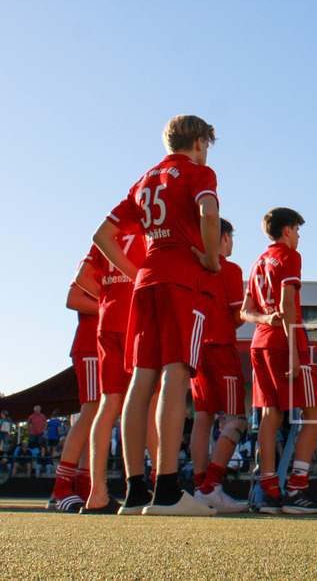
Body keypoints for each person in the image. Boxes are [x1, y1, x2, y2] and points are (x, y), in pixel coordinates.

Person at [93, 115, 221, 516]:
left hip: (148, 280)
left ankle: (135, 492)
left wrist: (136, 274)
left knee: (141, 380)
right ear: (200, 141)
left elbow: (102, 236)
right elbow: (209, 212)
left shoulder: (145, 179)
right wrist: (212, 259)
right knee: (175, 374)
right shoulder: (199, 171)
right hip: (182, 277)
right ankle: (166, 489)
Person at [242, 207, 317, 515]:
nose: (298, 236)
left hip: (260, 340)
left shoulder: (257, 262)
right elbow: (288, 307)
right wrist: (296, 354)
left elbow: (246, 311)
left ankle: (268, 490)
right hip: (285, 343)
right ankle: (297, 489)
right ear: (287, 230)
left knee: (271, 415)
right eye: (297, 230)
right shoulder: (288, 256)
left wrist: (265, 318)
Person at [78, 227, 155, 515]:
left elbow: (81, 279)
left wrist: (108, 297)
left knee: (109, 403)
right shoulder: (149, 233)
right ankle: (160, 484)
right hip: (134, 321)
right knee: (148, 404)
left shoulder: (107, 236)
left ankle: (97, 492)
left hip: (107, 320)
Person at [191, 218, 249, 514]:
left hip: (195, 347)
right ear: (224, 238)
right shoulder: (230, 268)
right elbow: (238, 316)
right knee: (237, 419)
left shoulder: (191, 264)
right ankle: (211, 486)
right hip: (220, 346)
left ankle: (200, 486)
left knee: (203, 418)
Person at [46, 279, 102, 513]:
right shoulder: (99, 256)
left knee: (100, 417)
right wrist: (116, 306)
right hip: (91, 345)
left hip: (109, 345)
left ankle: (82, 485)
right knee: (91, 412)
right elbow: (74, 299)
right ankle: (61, 488)